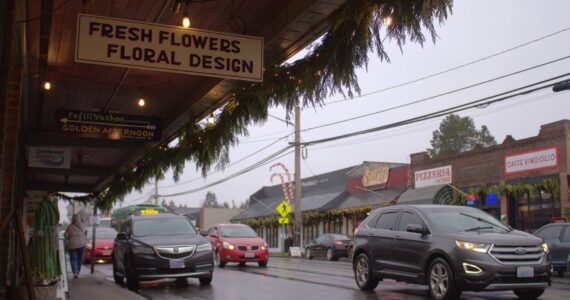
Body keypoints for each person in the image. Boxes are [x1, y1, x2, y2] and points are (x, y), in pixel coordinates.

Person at [64, 213, 88, 278]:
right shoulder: (83, 226)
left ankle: (75, 272)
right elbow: (86, 233)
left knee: (73, 259)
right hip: (81, 245)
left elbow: (65, 235)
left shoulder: (70, 227)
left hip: (72, 245)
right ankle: (78, 271)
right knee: (79, 258)